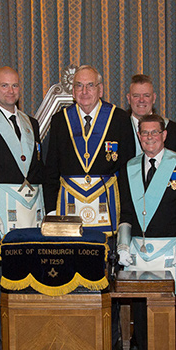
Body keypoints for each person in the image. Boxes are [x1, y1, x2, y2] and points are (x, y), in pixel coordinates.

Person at [116, 114, 176, 350]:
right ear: (139, 136)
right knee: (141, 316)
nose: (149, 138)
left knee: (172, 315)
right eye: (144, 133)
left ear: (164, 135)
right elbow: (125, 211)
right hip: (138, 251)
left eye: (154, 133)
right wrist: (123, 244)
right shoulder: (129, 167)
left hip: (170, 250)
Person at [43, 65, 134, 236]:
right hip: (68, 210)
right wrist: (50, 210)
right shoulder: (60, 120)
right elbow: (51, 169)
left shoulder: (119, 118)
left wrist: (126, 215)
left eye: (90, 85)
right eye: (79, 85)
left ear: (100, 90)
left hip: (107, 210)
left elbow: (127, 170)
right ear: (73, 91)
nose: (84, 91)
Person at [0, 66, 45, 282]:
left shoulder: (31, 123)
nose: (10, 90)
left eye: (15, 85)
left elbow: (37, 170)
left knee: (34, 275)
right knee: (4, 279)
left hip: (31, 212)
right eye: (4, 85)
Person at [125, 74, 176, 154]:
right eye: (136, 96)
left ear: (154, 98)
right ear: (129, 99)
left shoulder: (170, 128)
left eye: (146, 96)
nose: (141, 100)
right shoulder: (119, 128)